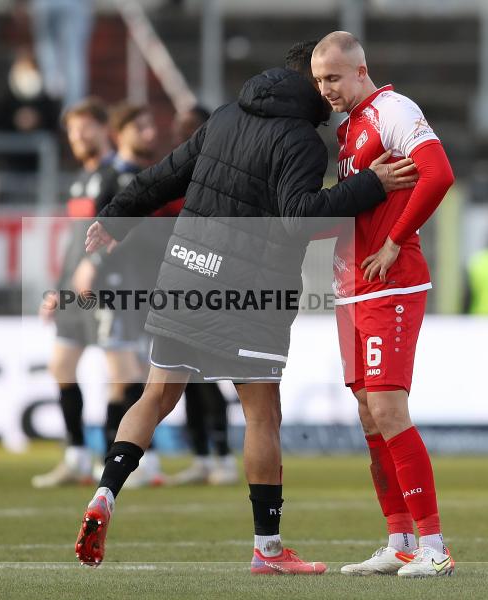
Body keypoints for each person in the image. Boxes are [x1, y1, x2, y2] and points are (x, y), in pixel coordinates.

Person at [74, 40, 417, 573]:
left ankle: (105, 493)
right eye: (323, 78)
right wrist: (371, 185)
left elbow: (167, 174)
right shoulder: (301, 140)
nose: (329, 90)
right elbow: (297, 218)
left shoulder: (226, 115)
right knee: (262, 415)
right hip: (248, 292)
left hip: (185, 271)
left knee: (157, 394)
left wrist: (117, 215)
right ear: (309, 79)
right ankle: (268, 549)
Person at [311, 31, 456, 577]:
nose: (326, 89)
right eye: (319, 81)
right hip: (353, 286)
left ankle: (434, 545)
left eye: (333, 78)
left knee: (390, 410)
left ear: (360, 70)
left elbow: (439, 173)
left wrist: (396, 238)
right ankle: (398, 540)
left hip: (390, 283)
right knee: (370, 417)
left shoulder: (393, 110)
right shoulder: (348, 128)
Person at [32, 100, 166, 489]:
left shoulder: (118, 176)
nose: (77, 137)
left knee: (124, 375)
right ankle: (76, 455)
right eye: (72, 131)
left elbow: (125, 231)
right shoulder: (83, 178)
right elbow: (76, 242)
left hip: (110, 287)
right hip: (76, 290)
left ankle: (144, 459)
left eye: (84, 129)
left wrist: (98, 265)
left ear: (104, 129)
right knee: (61, 365)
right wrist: (58, 289)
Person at [165, 105, 238, 487]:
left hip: (212, 284)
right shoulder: (176, 171)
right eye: (181, 128)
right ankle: (201, 457)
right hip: (179, 284)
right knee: (188, 376)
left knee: (208, 375)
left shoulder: (220, 173)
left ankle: (223, 457)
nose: (184, 134)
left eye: (191, 128)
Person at [0, 50, 61, 171]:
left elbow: (54, 125)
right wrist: (14, 120)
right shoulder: (6, 97)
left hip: (38, 164)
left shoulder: (46, 98)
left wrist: (38, 120)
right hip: (11, 161)